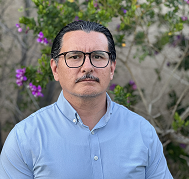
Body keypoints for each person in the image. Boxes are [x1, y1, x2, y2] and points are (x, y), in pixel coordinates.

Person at [0, 20, 173, 179]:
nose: (87, 67)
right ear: (55, 69)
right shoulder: (24, 138)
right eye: (74, 56)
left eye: (98, 56)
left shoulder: (143, 133)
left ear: (112, 68)